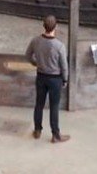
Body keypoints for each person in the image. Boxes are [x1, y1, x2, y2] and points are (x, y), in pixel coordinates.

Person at [25, 15, 70, 143]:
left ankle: (37, 130)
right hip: (55, 79)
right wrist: (65, 79)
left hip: (40, 76)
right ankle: (55, 135)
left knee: (39, 104)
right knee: (54, 106)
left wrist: (36, 63)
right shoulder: (59, 46)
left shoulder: (35, 41)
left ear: (43, 26)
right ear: (56, 27)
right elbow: (64, 66)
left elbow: (27, 56)